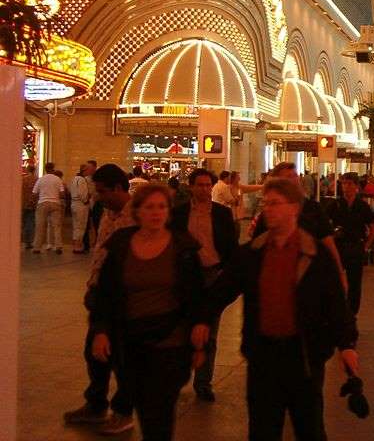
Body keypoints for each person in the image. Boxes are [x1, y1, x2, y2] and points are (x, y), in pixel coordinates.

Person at [192, 177, 359, 441]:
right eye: (265, 203)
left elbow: (335, 304)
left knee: (309, 428)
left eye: (275, 204)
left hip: (303, 357)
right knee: (263, 428)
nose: (268, 209)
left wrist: (347, 344)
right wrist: (202, 319)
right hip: (263, 357)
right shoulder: (252, 254)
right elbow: (222, 290)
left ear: (294, 207)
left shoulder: (315, 255)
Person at [89, 183, 203, 441]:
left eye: (162, 207)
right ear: (137, 211)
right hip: (130, 341)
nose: (156, 213)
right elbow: (106, 294)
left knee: (160, 411)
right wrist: (101, 330)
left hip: (170, 342)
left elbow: (196, 298)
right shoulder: (121, 246)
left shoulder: (183, 248)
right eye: (150, 207)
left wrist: (199, 342)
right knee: (141, 401)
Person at [64, 163, 137, 434]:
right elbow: (100, 253)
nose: (99, 196)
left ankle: (122, 411)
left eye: (103, 191)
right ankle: (95, 404)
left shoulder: (138, 216)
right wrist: (93, 284)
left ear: (118, 188)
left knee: (122, 357)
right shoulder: (108, 213)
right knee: (94, 352)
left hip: (124, 298)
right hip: (101, 294)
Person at [169, 168, 238, 402]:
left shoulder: (222, 214)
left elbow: (230, 246)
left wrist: (225, 274)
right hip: (186, 277)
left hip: (212, 276)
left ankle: (203, 382)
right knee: (181, 329)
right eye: (200, 185)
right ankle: (178, 378)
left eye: (208, 185)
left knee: (209, 331)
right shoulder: (178, 214)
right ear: (191, 187)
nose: (205, 189)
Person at [328, 172, 374, 314]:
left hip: (355, 247)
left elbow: (373, 228)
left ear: (356, 186)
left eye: (349, 184)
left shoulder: (362, 206)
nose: (346, 187)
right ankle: (337, 311)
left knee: (354, 283)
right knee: (335, 281)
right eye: (344, 183)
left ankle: (352, 313)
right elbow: (325, 224)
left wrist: (365, 246)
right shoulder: (335, 204)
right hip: (338, 247)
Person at [32, 161, 65, 254]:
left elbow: (34, 193)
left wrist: (36, 201)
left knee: (40, 226)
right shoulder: (58, 179)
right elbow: (62, 193)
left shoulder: (41, 179)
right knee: (56, 226)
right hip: (55, 203)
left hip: (42, 203)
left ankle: (37, 247)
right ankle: (58, 246)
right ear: (53, 168)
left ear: (45, 169)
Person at [70, 163, 93, 253]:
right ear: (84, 170)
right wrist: (86, 200)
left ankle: (75, 245)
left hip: (73, 203)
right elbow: (82, 194)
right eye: (88, 170)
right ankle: (78, 246)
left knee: (75, 226)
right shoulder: (82, 180)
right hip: (81, 205)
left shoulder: (74, 178)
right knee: (81, 226)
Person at [21, 165, 36, 250]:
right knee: (30, 222)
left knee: (23, 222)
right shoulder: (36, 179)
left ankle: (23, 240)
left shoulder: (23, 179)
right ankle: (29, 241)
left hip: (23, 203)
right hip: (32, 204)